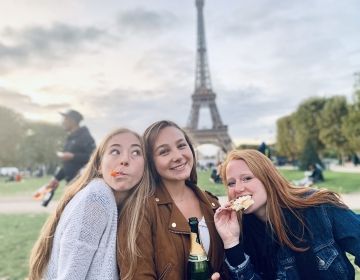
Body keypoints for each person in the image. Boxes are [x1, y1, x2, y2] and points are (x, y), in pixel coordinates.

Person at [213, 149, 360, 280]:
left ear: (268, 178)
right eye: (231, 183)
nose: (238, 188)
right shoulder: (240, 232)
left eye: (247, 178)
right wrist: (231, 242)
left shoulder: (318, 206)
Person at [28, 128, 151, 280]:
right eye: (115, 151)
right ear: (99, 165)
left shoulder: (124, 204)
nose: (124, 160)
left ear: (145, 168)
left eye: (135, 152)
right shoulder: (96, 199)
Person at [117, 120, 228, 280]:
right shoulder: (139, 211)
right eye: (164, 152)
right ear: (150, 162)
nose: (177, 156)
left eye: (182, 146)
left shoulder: (211, 203)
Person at [42, 109, 96, 205]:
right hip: (70, 184)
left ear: (72, 121)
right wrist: (57, 178)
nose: (63, 122)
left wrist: (73, 156)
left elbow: (95, 158)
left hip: (82, 185)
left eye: (65, 119)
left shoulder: (86, 137)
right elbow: (68, 164)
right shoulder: (70, 138)